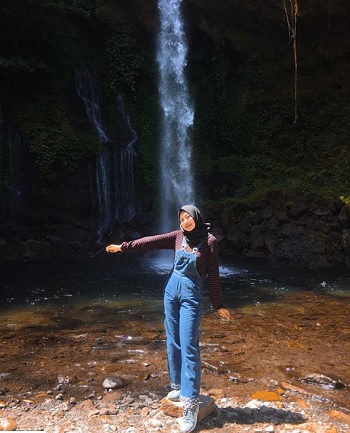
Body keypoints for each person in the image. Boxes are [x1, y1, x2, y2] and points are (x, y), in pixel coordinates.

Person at [106, 205, 231, 433]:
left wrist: (218, 304)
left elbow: (213, 275)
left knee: (190, 346)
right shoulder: (177, 237)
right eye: (181, 219)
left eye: (188, 218)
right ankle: (177, 386)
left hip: (191, 297)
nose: (185, 222)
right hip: (171, 292)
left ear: (197, 218)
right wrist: (123, 247)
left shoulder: (210, 242)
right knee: (172, 339)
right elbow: (150, 242)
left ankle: (190, 405)